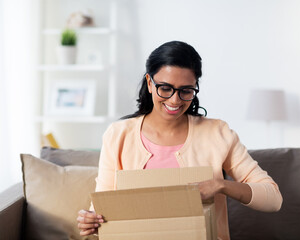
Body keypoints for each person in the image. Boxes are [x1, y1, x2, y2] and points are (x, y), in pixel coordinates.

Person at [76, 41, 282, 240]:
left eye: (186, 91)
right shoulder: (118, 135)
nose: (175, 100)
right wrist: (91, 222)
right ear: (149, 83)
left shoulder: (218, 133)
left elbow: (273, 199)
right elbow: (103, 211)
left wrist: (220, 185)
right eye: (165, 88)